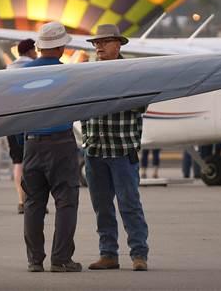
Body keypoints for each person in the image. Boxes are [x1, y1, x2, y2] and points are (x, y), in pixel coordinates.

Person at [81, 24, 149, 272]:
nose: (98, 46)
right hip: (95, 151)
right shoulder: (87, 72)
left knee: (129, 204)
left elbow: (141, 105)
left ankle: (139, 254)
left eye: (105, 41)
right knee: (102, 207)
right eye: (96, 42)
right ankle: (108, 253)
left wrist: (107, 95)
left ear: (118, 45)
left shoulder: (132, 72)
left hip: (121, 150)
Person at [19, 22, 81, 273]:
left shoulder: (22, 74)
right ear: (61, 47)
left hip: (31, 143)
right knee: (66, 202)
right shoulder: (69, 75)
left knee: (34, 203)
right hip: (61, 142)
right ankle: (61, 259)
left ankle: (35, 260)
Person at [7, 38, 36, 213]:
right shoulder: (34, 67)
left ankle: (21, 199)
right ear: (31, 51)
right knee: (33, 161)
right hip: (31, 119)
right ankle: (33, 197)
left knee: (18, 161)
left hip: (11, 120)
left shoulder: (9, 68)